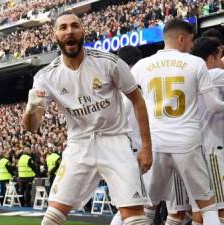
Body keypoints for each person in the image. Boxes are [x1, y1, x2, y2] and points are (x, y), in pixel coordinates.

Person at [22, 12, 152, 225]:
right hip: (79, 145)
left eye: (74, 26)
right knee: (52, 218)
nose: (69, 31)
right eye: (63, 27)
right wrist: (30, 110)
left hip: (115, 141)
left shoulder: (108, 62)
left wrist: (146, 146)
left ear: (83, 31)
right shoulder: (46, 77)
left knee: (135, 217)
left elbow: (138, 100)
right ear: (55, 35)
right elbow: (33, 126)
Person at [131, 18, 224, 225]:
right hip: (187, 143)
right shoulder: (196, 63)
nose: (192, 46)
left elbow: (129, 103)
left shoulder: (141, 66)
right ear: (182, 39)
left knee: (148, 206)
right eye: (191, 40)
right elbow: (214, 106)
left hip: (157, 144)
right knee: (207, 206)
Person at [167, 36, 224, 225]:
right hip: (209, 151)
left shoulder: (189, 73)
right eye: (219, 58)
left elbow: (220, 73)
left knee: (200, 214)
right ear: (211, 59)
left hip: (188, 149)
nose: (222, 63)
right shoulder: (212, 74)